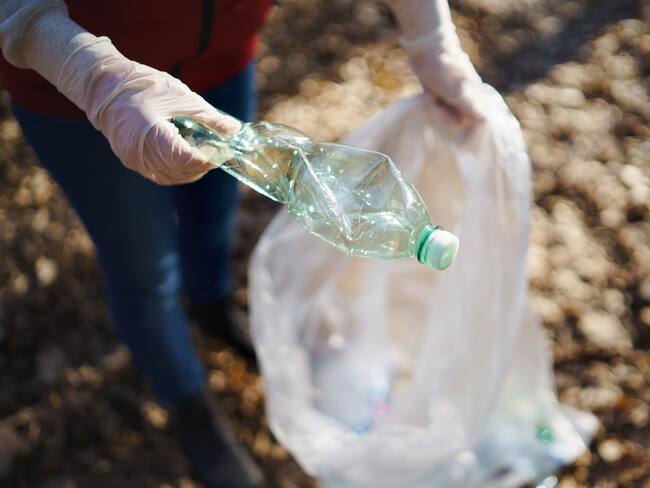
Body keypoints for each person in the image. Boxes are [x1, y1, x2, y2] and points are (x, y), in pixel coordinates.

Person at [0, 0, 483, 486]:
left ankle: (212, 307)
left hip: (224, 58)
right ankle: (189, 402)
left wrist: (431, 43)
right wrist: (95, 75)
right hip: (72, 93)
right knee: (144, 268)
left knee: (212, 219)